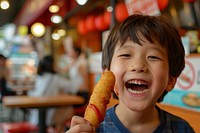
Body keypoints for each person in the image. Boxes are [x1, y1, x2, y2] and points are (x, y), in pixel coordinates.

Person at [66, 14, 195, 133]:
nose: (138, 66)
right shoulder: (94, 129)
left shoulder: (182, 129)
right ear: (107, 74)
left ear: (170, 80)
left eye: (153, 57)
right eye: (126, 55)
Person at [28, 55, 80, 132]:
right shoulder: (55, 78)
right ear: (52, 65)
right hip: (51, 115)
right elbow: (72, 86)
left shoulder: (39, 77)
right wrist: (66, 72)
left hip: (36, 115)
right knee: (68, 110)